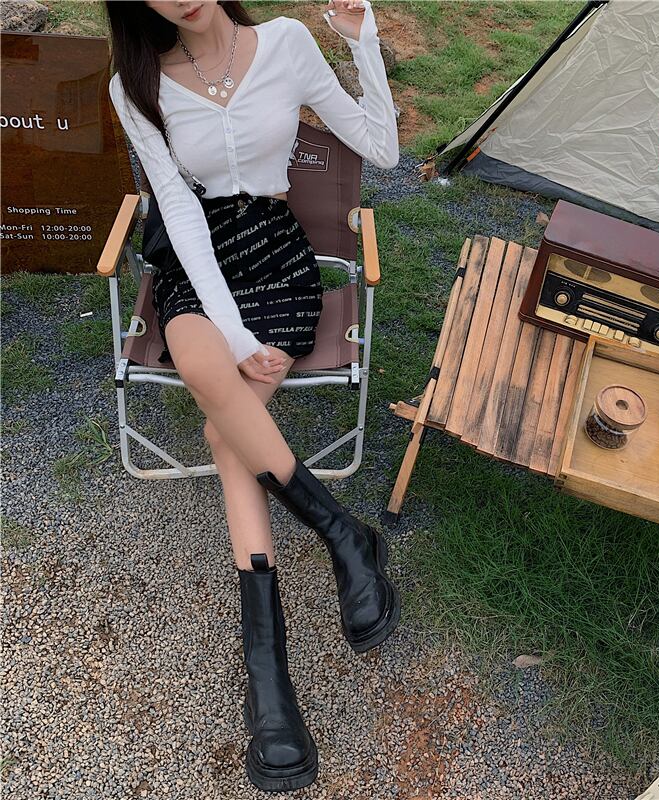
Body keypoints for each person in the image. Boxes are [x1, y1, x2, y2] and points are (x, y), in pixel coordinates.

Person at [104, 0, 400, 792]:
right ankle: (342, 533)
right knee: (211, 375)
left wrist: (362, 44)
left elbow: (383, 148)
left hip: (277, 258)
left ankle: (269, 680)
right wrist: (235, 340)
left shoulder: (288, 44)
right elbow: (177, 210)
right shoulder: (136, 84)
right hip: (198, 265)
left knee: (223, 433)